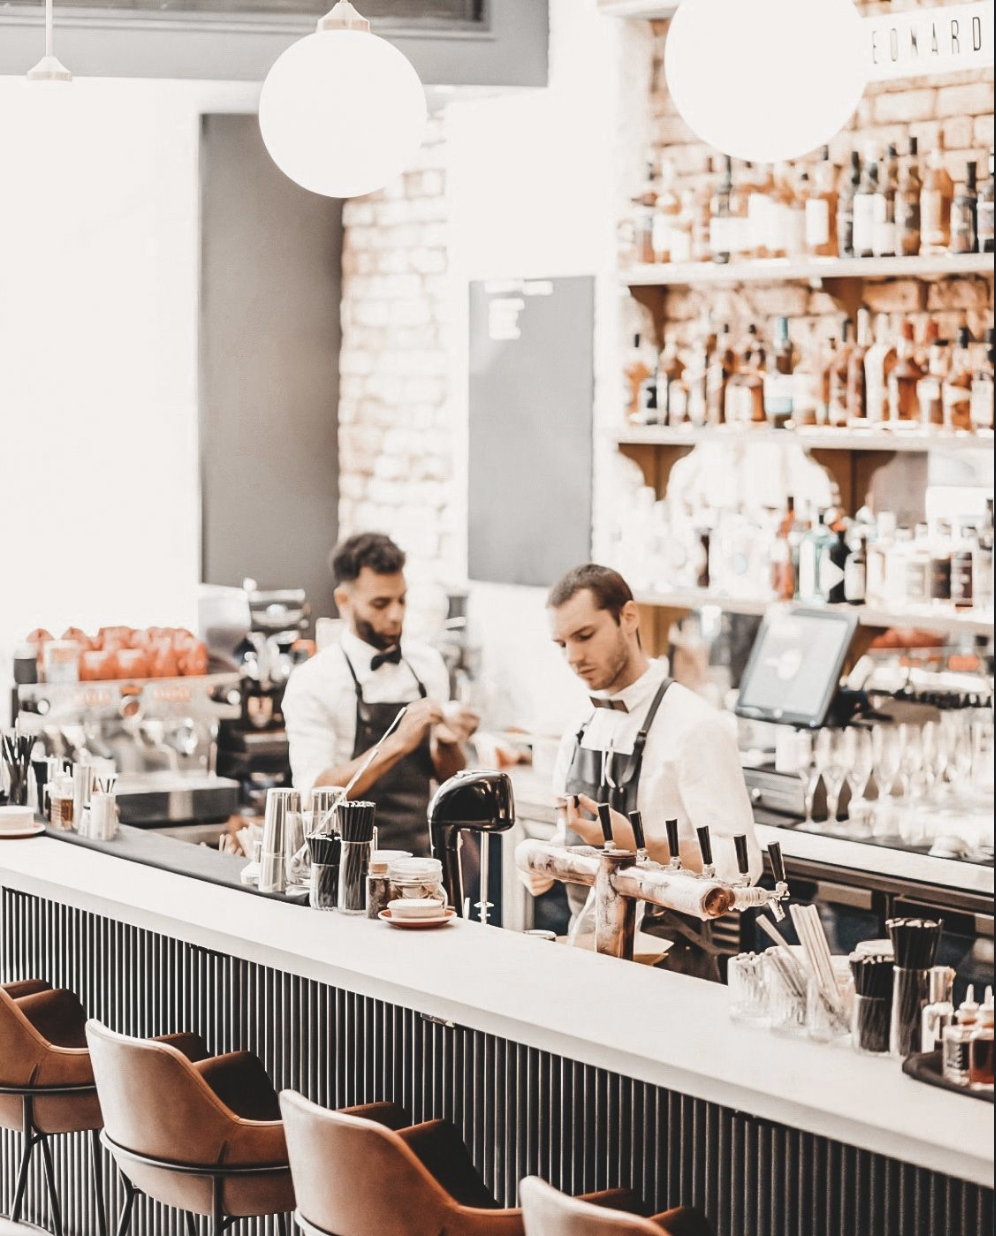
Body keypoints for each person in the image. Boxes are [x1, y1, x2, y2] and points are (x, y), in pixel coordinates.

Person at [540, 563, 761, 979]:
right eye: (561, 644)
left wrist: (640, 844)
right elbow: (569, 836)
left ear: (628, 618)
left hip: (672, 970)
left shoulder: (696, 727)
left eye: (585, 636)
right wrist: (542, 864)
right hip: (586, 959)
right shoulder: (579, 729)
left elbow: (741, 867)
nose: (573, 658)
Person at [282, 533, 479, 855]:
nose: (396, 615)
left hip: (418, 857)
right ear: (344, 601)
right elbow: (315, 794)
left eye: (401, 599)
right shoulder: (313, 682)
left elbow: (446, 777)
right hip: (344, 862)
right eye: (380, 603)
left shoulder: (427, 665)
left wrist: (448, 741)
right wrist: (397, 743)